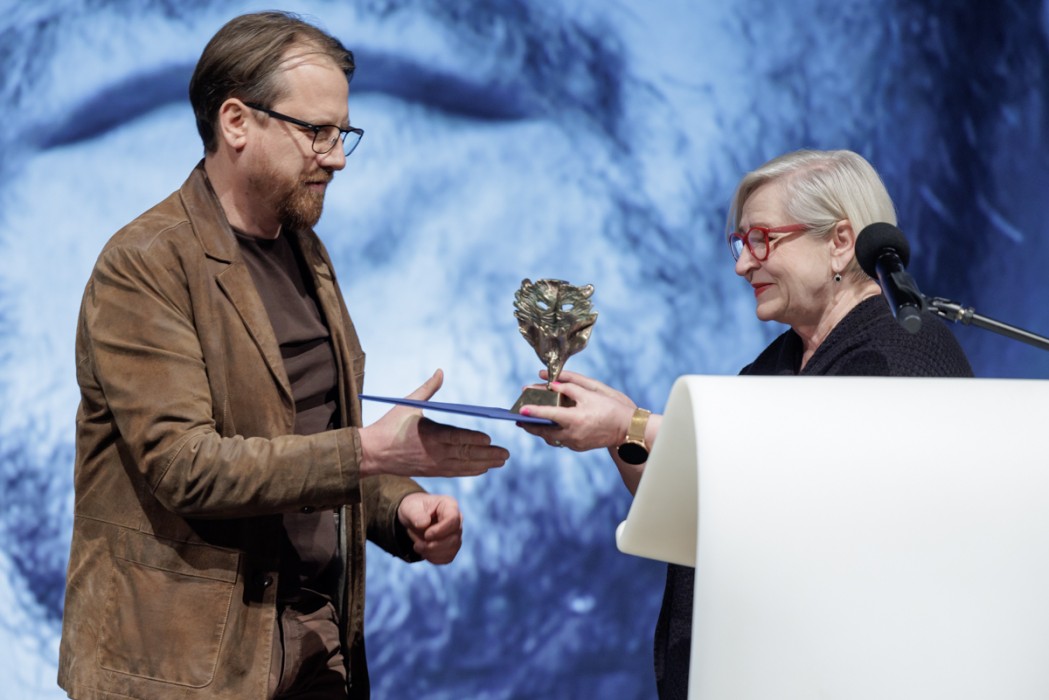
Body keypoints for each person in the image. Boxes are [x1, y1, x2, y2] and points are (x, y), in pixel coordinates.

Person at [57, 11, 509, 700]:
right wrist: (366, 453)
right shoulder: (145, 264)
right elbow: (186, 467)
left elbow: (307, 438)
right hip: (184, 669)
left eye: (343, 133)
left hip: (313, 640)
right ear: (237, 122)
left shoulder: (305, 250)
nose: (337, 156)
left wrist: (399, 508)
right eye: (316, 131)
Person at [517, 148, 974, 699]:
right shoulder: (773, 366)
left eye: (762, 240)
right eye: (740, 243)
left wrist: (632, 423)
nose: (742, 265)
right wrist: (624, 435)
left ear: (839, 241)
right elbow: (700, 504)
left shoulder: (904, 350)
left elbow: (811, 471)